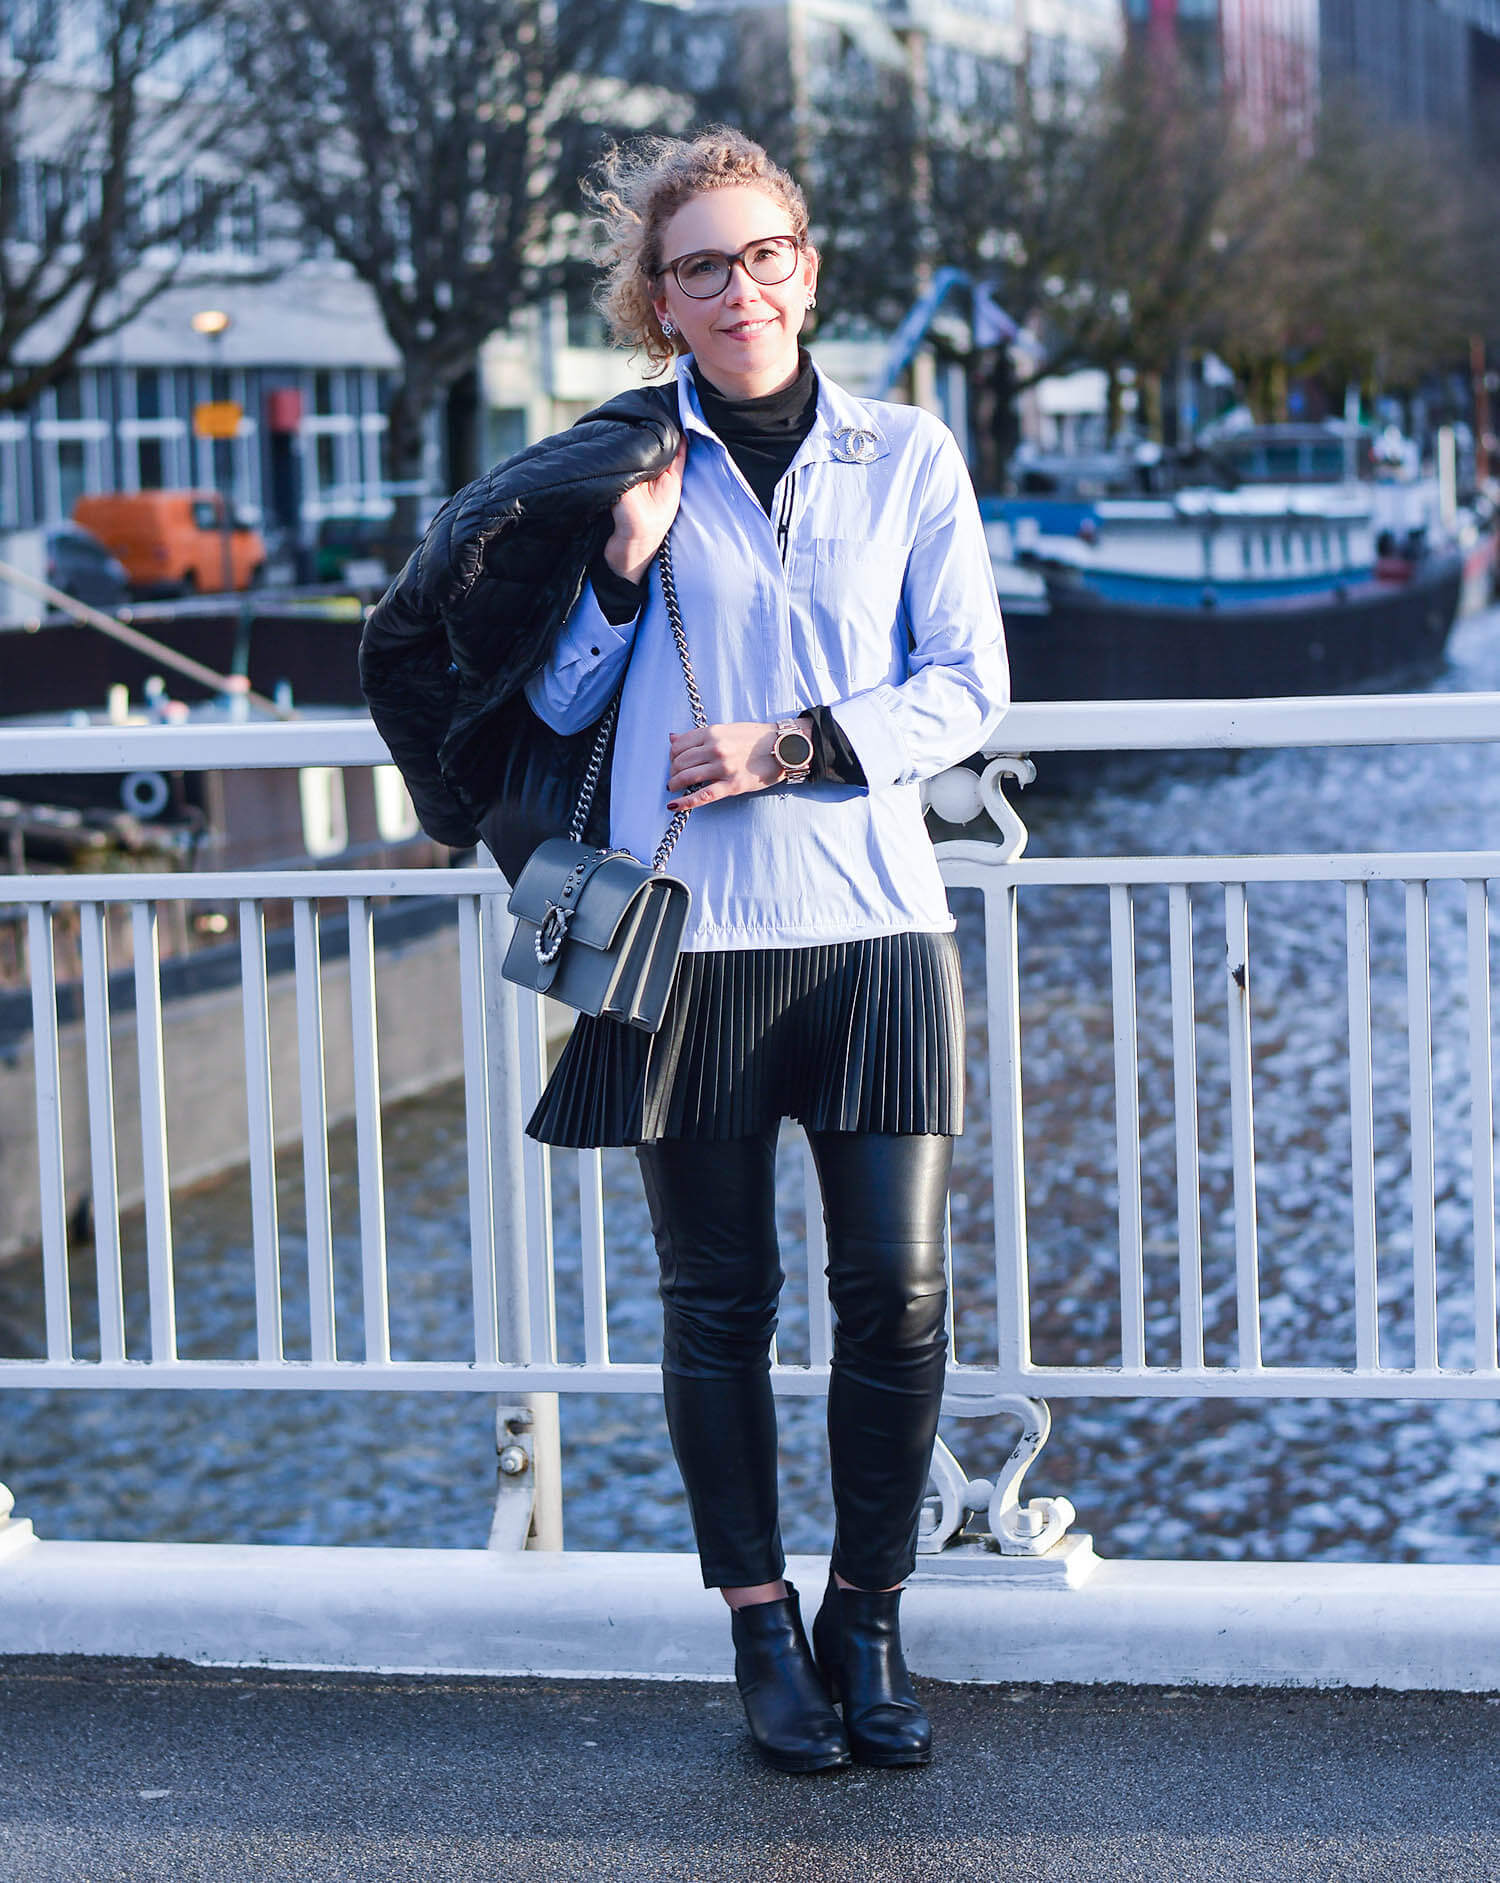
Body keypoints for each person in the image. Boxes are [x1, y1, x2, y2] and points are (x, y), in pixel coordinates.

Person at [517, 130, 1010, 1773]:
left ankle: (867, 1614)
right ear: (659, 303)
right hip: (695, 948)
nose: (741, 289)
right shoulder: (615, 464)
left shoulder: (907, 453)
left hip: (875, 931)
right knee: (718, 1303)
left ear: (810, 264)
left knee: (900, 1296)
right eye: (701, 267)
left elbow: (966, 683)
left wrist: (791, 747)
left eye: (766, 254)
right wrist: (616, 572)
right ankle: (757, 1630)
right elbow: (557, 707)